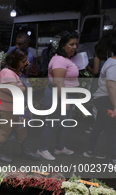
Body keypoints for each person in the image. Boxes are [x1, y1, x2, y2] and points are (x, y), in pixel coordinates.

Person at [37, 31, 79, 161]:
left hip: (66, 95)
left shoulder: (66, 59)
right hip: (58, 95)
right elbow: (59, 82)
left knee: (65, 123)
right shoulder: (59, 60)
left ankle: (59, 147)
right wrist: (65, 100)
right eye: (71, 44)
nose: (74, 47)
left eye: (76, 44)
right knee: (53, 123)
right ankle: (42, 149)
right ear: (63, 46)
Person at [0, 47, 39, 163]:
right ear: (15, 60)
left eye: (25, 61)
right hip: (9, 109)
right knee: (5, 131)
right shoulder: (6, 72)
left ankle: (25, 152)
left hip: (19, 108)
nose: (25, 63)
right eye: (23, 62)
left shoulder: (16, 72)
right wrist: (27, 86)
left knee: (22, 130)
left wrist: (24, 71)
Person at [83, 39, 116, 164]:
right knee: (114, 128)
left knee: (99, 125)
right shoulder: (115, 65)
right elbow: (111, 86)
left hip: (103, 99)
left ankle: (89, 150)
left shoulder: (112, 61)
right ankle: (115, 159)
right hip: (107, 100)